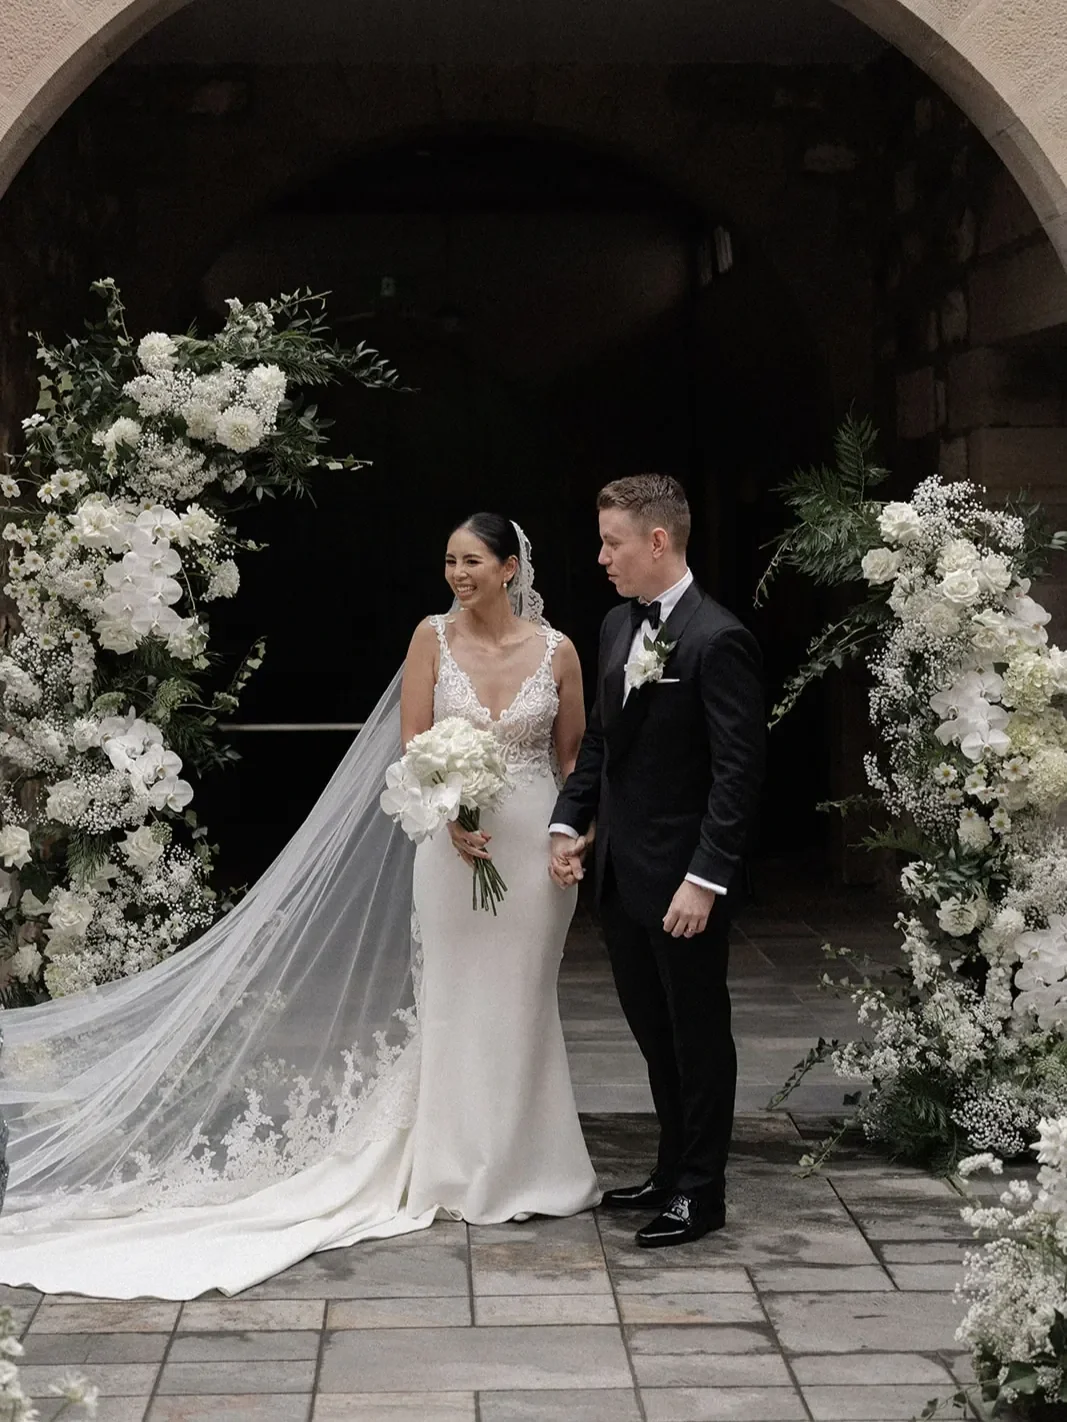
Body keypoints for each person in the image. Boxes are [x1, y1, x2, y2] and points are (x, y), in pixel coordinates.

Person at [0, 516, 598, 1300]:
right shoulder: (430, 638)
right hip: (449, 850)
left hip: (530, 848)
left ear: (511, 567)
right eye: (448, 559)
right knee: (453, 1001)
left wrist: (575, 835)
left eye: (473, 561)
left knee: (523, 999)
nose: (458, 573)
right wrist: (449, 814)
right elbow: (414, 743)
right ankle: (454, 1165)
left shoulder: (557, 651)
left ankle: (530, 1163)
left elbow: (575, 756)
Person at [550, 474, 765, 1249]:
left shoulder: (718, 637)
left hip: (683, 882)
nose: (601, 556)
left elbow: (737, 776)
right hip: (621, 876)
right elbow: (603, 740)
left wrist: (704, 880)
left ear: (656, 541)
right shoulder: (615, 626)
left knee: (698, 1036)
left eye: (611, 542)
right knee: (651, 1031)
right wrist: (566, 821)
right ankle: (670, 1166)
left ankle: (701, 1193)